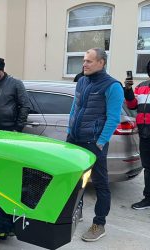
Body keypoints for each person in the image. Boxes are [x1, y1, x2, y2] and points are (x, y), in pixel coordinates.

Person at [67, 48, 124, 242]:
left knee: (100, 184)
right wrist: (70, 131)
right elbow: (75, 107)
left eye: (89, 61)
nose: (84, 64)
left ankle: (99, 224)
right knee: (75, 180)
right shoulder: (82, 81)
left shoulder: (113, 86)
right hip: (74, 139)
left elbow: (114, 117)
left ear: (101, 63)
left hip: (94, 143)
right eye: (84, 60)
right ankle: (76, 212)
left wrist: (100, 143)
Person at [124, 61, 150, 210]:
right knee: (148, 167)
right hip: (145, 133)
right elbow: (132, 105)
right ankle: (148, 198)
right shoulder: (141, 87)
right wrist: (128, 89)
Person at [0, 58, 30, 132]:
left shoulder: (15, 83)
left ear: (0, 70)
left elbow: (25, 106)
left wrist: (18, 128)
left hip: (9, 129)